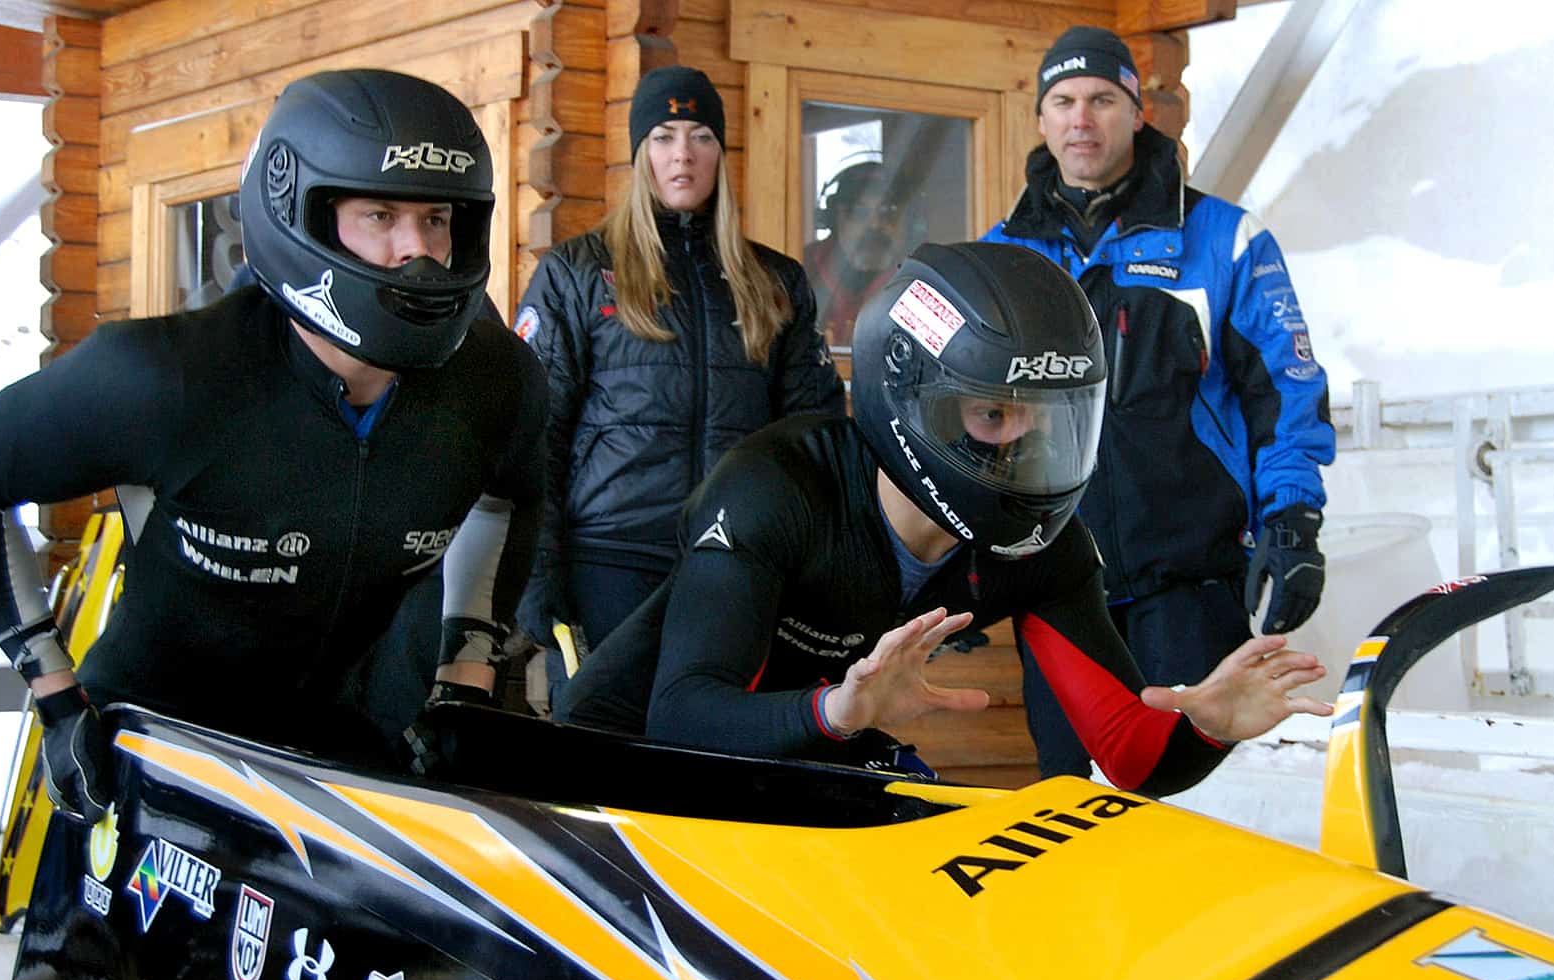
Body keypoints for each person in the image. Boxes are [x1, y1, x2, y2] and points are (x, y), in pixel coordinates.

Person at [0, 69, 548, 821]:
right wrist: (53, 693)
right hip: (146, 751)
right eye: (380, 216)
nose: (418, 251)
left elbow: (511, 494)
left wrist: (464, 674)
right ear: (302, 212)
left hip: (329, 749)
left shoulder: (497, 382)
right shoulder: (163, 378)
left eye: (436, 218)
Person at [557, 242, 1333, 798]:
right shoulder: (775, 486)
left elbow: (1130, 752)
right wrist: (838, 710)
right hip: (614, 767)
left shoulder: (1040, 549)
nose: (1025, 444)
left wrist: (1210, 725)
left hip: (810, 743)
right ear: (912, 400)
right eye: (993, 413)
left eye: (1047, 419)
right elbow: (680, 714)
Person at [979, 26, 1336, 778]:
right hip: (1056, 591)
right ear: (1040, 120)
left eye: (1102, 99)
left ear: (1138, 113)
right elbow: (957, 418)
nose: (1082, 119)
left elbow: (1286, 389)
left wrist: (1292, 520)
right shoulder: (997, 258)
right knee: (1071, 808)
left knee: (1191, 798)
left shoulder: (1224, 239)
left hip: (1189, 582)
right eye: (1064, 101)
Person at [512, 65, 845, 703]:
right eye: (663, 136)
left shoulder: (774, 280)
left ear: (721, 151)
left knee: (711, 757)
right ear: (640, 153)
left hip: (735, 563)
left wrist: (821, 572)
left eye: (700, 136)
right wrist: (538, 577)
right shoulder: (576, 272)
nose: (683, 154)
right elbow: (534, 436)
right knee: (600, 760)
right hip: (607, 562)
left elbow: (816, 441)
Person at [803, 161, 910, 352]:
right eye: (858, 212)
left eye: (888, 212)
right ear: (833, 217)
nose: (875, 225)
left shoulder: (914, 278)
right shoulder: (803, 269)